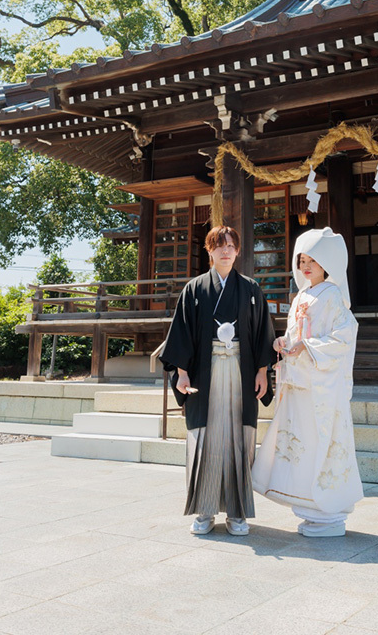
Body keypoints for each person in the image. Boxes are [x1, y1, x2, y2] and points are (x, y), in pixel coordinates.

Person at [160, 225, 275, 536]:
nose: (225, 251)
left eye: (231, 246)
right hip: (204, 371)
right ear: (209, 250)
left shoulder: (251, 289)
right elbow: (182, 333)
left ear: (238, 251)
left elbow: (262, 332)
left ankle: (237, 512)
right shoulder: (195, 289)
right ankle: (205, 509)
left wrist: (262, 371)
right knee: (206, 437)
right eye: (219, 245)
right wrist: (182, 372)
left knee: (240, 437)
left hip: (241, 368)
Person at [252, 226, 363, 537]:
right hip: (300, 383)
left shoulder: (333, 295)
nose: (306, 265)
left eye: (312, 260)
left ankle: (329, 514)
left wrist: (308, 346)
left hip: (321, 385)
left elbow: (344, 335)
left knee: (321, 442)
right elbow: (295, 334)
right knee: (302, 442)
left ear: (326, 263)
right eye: (302, 260)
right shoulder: (301, 295)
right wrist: (282, 342)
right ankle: (309, 509)